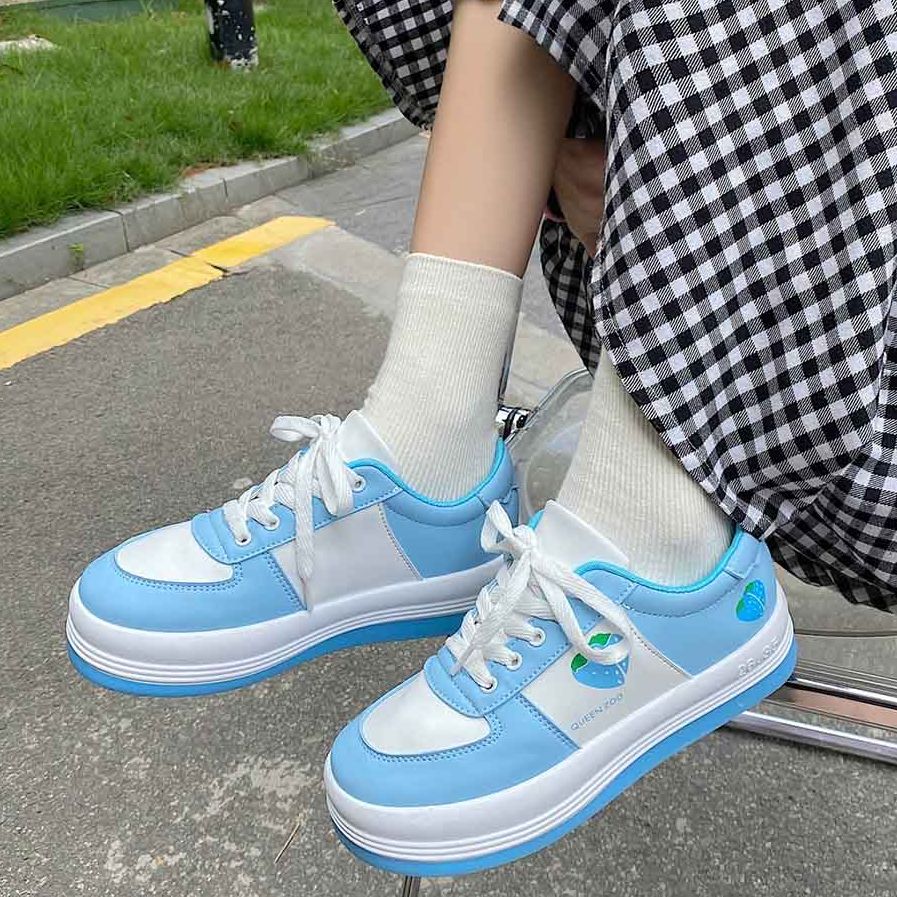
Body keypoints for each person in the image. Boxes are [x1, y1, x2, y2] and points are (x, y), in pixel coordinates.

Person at [66, 0, 897, 875]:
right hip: (692, 346)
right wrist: (609, 131)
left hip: (831, 414)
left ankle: (658, 543)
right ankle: (425, 449)